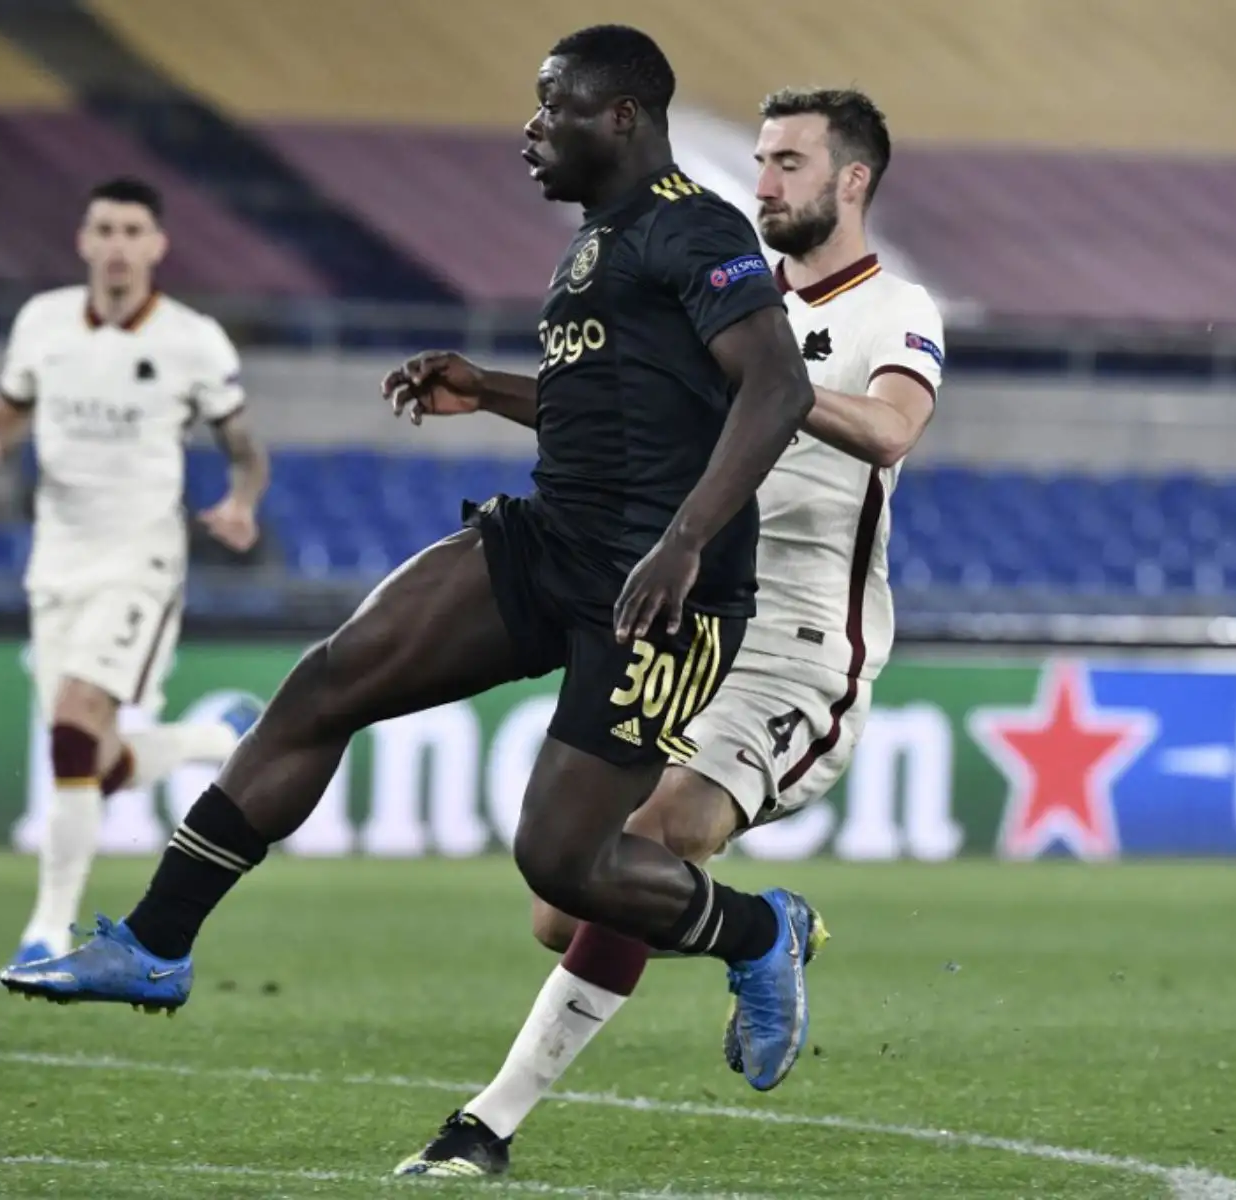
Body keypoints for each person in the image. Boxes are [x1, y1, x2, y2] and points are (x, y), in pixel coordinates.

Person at [1, 25, 823, 1091]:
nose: (531, 128)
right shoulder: (597, 242)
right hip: (558, 540)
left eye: (555, 106)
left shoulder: (692, 226)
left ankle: (758, 933)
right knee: (324, 683)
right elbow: (623, 410)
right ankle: (155, 942)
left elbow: (777, 388)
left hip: (666, 591)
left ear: (622, 117)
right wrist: (487, 389)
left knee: (561, 865)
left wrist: (682, 543)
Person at [395, 87, 945, 1178]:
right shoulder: (727, 296)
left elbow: (888, 429)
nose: (764, 180)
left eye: (789, 161)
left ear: (853, 181)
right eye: (759, 159)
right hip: (691, 614)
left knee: (651, 842)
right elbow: (633, 415)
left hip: (797, 646)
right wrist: (491, 390)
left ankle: (486, 1126)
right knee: (572, 903)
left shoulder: (897, 307)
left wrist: (772, 389)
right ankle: (766, 928)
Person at [0, 176, 270, 976]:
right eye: (106, 228)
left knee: (71, 720)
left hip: (142, 559)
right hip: (55, 561)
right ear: (84, 240)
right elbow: (11, 404)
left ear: (157, 245)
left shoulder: (193, 340)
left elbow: (243, 445)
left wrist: (239, 500)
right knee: (86, 758)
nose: (119, 244)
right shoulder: (42, 323)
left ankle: (45, 931)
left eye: (134, 230)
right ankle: (213, 740)